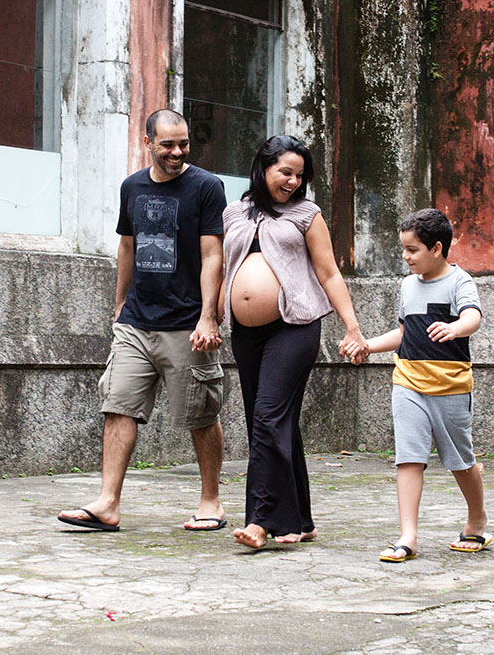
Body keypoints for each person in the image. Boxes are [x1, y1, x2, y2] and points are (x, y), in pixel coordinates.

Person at [58, 109, 229, 533]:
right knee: (118, 406)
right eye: (167, 144)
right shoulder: (132, 186)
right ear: (148, 141)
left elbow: (213, 254)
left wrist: (209, 317)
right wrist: (119, 304)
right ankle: (107, 503)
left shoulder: (207, 186)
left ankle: (211, 501)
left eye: (183, 144)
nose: (177, 152)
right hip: (136, 322)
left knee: (201, 414)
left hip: (187, 324)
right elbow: (127, 247)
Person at [222, 135, 369, 549]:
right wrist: (209, 318)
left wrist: (352, 327)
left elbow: (329, 272)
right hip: (246, 333)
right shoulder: (234, 212)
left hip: (294, 327)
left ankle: (259, 520)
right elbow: (220, 268)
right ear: (263, 167)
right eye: (285, 172)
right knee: (271, 422)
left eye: (300, 175)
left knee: (268, 419)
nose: (293, 181)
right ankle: (298, 520)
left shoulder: (307, 214)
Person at [344, 208, 490, 563]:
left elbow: (473, 316)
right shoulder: (407, 285)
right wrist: (367, 345)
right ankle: (407, 537)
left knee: (460, 461)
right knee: (408, 458)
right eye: (404, 249)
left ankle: (477, 518)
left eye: (412, 250)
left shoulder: (459, 281)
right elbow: (404, 332)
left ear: (436, 248)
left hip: (451, 387)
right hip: (408, 382)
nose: (405, 257)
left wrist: (455, 327)